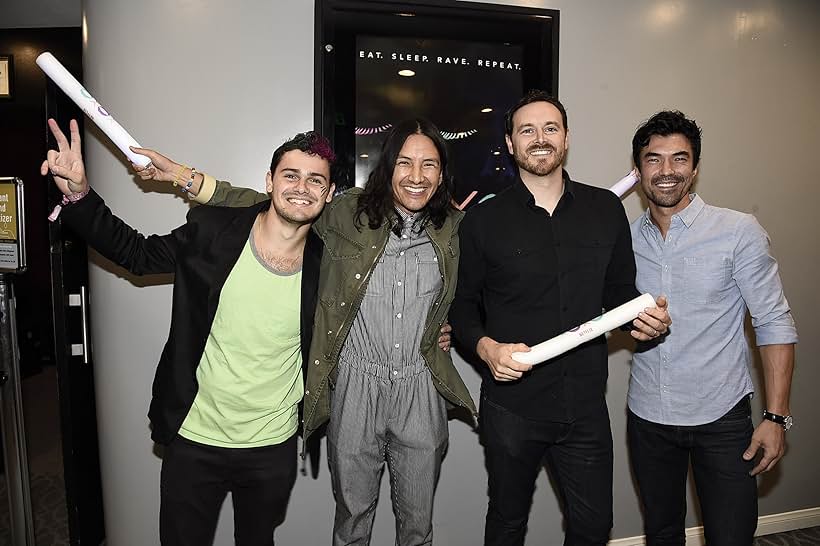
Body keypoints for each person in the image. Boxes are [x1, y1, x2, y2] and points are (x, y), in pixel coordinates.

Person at [133, 118, 476, 546]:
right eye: (405, 162)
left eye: (429, 165)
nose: (416, 175)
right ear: (388, 168)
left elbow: (478, 292)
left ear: (442, 174)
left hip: (418, 386)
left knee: (417, 525)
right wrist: (186, 177)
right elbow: (267, 202)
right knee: (352, 517)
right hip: (356, 381)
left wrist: (448, 329)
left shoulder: (455, 229)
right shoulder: (346, 214)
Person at [42, 118, 336, 546]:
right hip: (194, 439)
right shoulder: (213, 232)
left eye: (315, 181)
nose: (301, 188)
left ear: (327, 194)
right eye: (291, 175)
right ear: (270, 180)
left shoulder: (328, 264)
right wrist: (80, 196)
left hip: (271, 447)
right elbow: (137, 253)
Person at [449, 90, 671, 546]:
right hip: (513, 408)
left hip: (585, 405)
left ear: (566, 139)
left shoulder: (605, 209)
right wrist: (487, 348)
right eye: (527, 130)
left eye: (551, 128)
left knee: (593, 527)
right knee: (507, 521)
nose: (540, 138)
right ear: (511, 144)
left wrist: (643, 321)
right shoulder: (482, 221)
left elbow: (619, 294)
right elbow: (463, 307)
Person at [627, 110, 798, 546]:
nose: (667, 171)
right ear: (638, 168)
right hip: (647, 418)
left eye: (679, 159)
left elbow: (774, 321)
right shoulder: (622, 240)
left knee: (732, 536)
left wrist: (776, 417)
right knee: (662, 533)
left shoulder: (738, 231)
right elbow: (605, 318)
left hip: (721, 419)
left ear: (695, 168)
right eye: (654, 159)